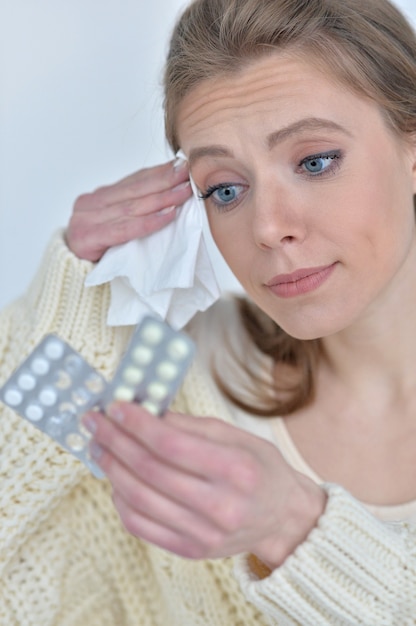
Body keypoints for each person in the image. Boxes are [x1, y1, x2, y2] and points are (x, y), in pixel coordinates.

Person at [1, 0, 416, 623]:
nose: (269, 228)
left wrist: (297, 531)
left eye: (315, 161)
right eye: (225, 188)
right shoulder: (173, 384)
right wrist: (71, 308)